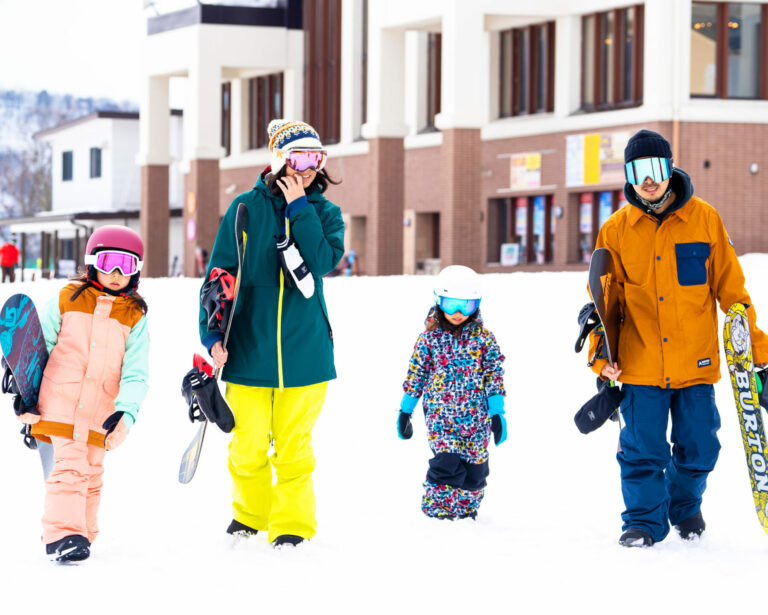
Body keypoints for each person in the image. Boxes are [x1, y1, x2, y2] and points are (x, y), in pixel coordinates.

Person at [586, 129, 768, 547]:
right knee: (642, 452)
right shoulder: (615, 230)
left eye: (655, 168)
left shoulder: (705, 219)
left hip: (696, 365)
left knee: (700, 449)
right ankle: (644, 523)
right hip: (640, 365)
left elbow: (734, 294)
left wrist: (759, 353)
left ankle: (684, 506)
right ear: (629, 175)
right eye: (637, 170)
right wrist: (601, 360)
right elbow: (602, 307)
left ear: (669, 168)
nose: (647, 180)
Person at [199, 119, 344, 548]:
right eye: (298, 157)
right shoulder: (245, 208)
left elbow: (320, 261)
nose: (308, 167)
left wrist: (300, 208)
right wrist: (212, 336)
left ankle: (292, 526)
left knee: (294, 449)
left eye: (315, 158)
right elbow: (220, 275)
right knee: (246, 445)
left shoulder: (326, 213)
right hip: (248, 350)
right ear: (279, 158)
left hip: (306, 353)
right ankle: (250, 515)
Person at [12, 225, 149, 562]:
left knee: (91, 472)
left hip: (101, 412)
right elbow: (36, 345)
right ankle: (63, 534)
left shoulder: (134, 316)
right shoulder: (66, 299)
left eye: (127, 265)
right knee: (70, 468)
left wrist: (126, 412)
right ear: (92, 263)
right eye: (110, 262)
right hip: (59, 402)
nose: (117, 273)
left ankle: (81, 532)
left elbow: (137, 373)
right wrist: (23, 389)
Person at [397, 265, 507, 519]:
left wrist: (497, 413)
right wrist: (406, 410)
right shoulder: (429, 339)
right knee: (446, 464)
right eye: (451, 304)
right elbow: (416, 376)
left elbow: (494, 376)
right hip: (441, 419)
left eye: (465, 306)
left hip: (476, 420)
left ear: (476, 305)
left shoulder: (484, 339)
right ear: (439, 302)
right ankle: (438, 510)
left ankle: (466, 511)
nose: (458, 313)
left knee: (475, 469)